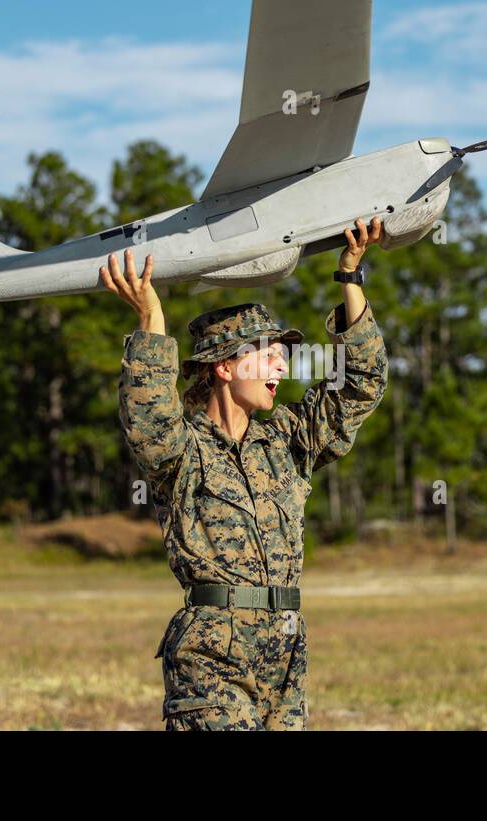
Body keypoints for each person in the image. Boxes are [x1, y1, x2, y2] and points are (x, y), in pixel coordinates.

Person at [103, 216, 389, 730]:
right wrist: (151, 315)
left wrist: (349, 278)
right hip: (210, 658)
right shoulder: (183, 451)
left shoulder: (286, 440)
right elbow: (148, 416)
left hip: (285, 656)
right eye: (270, 356)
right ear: (225, 366)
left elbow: (361, 386)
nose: (282, 368)